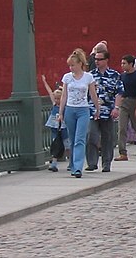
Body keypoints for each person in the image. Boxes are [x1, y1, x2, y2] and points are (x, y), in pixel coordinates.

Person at [58, 49, 101, 178]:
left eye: (73, 65)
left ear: (80, 64)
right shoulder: (67, 77)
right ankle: (72, 164)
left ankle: (78, 167)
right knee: (72, 139)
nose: (71, 68)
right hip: (70, 110)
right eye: (70, 65)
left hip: (83, 109)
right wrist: (61, 112)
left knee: (80, 139)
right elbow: (64, 95)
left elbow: (93, 94)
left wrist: (97, 108)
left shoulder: (88, 77)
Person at [86, 48, 123, 172]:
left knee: (108, 138)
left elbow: (119, 92)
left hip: (108, 111)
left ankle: (106, 163)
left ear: (106, 60)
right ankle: (92, 162)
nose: (97, 61)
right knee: (91, 135)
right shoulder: (90, 75)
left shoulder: (115, 75)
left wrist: (116, 108)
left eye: (100, 59)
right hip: (92, 111)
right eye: (95, 59)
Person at [42, 75, 69, 172]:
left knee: (67, 145)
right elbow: (50, 92)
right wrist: (45, 82)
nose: (57, 100)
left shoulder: (65, 106)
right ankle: (54, 164)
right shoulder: (54, 104)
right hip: (55, 127)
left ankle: (71, 163)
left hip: (64, 127)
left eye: (59, 99)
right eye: (56, 99)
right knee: (56, 144)